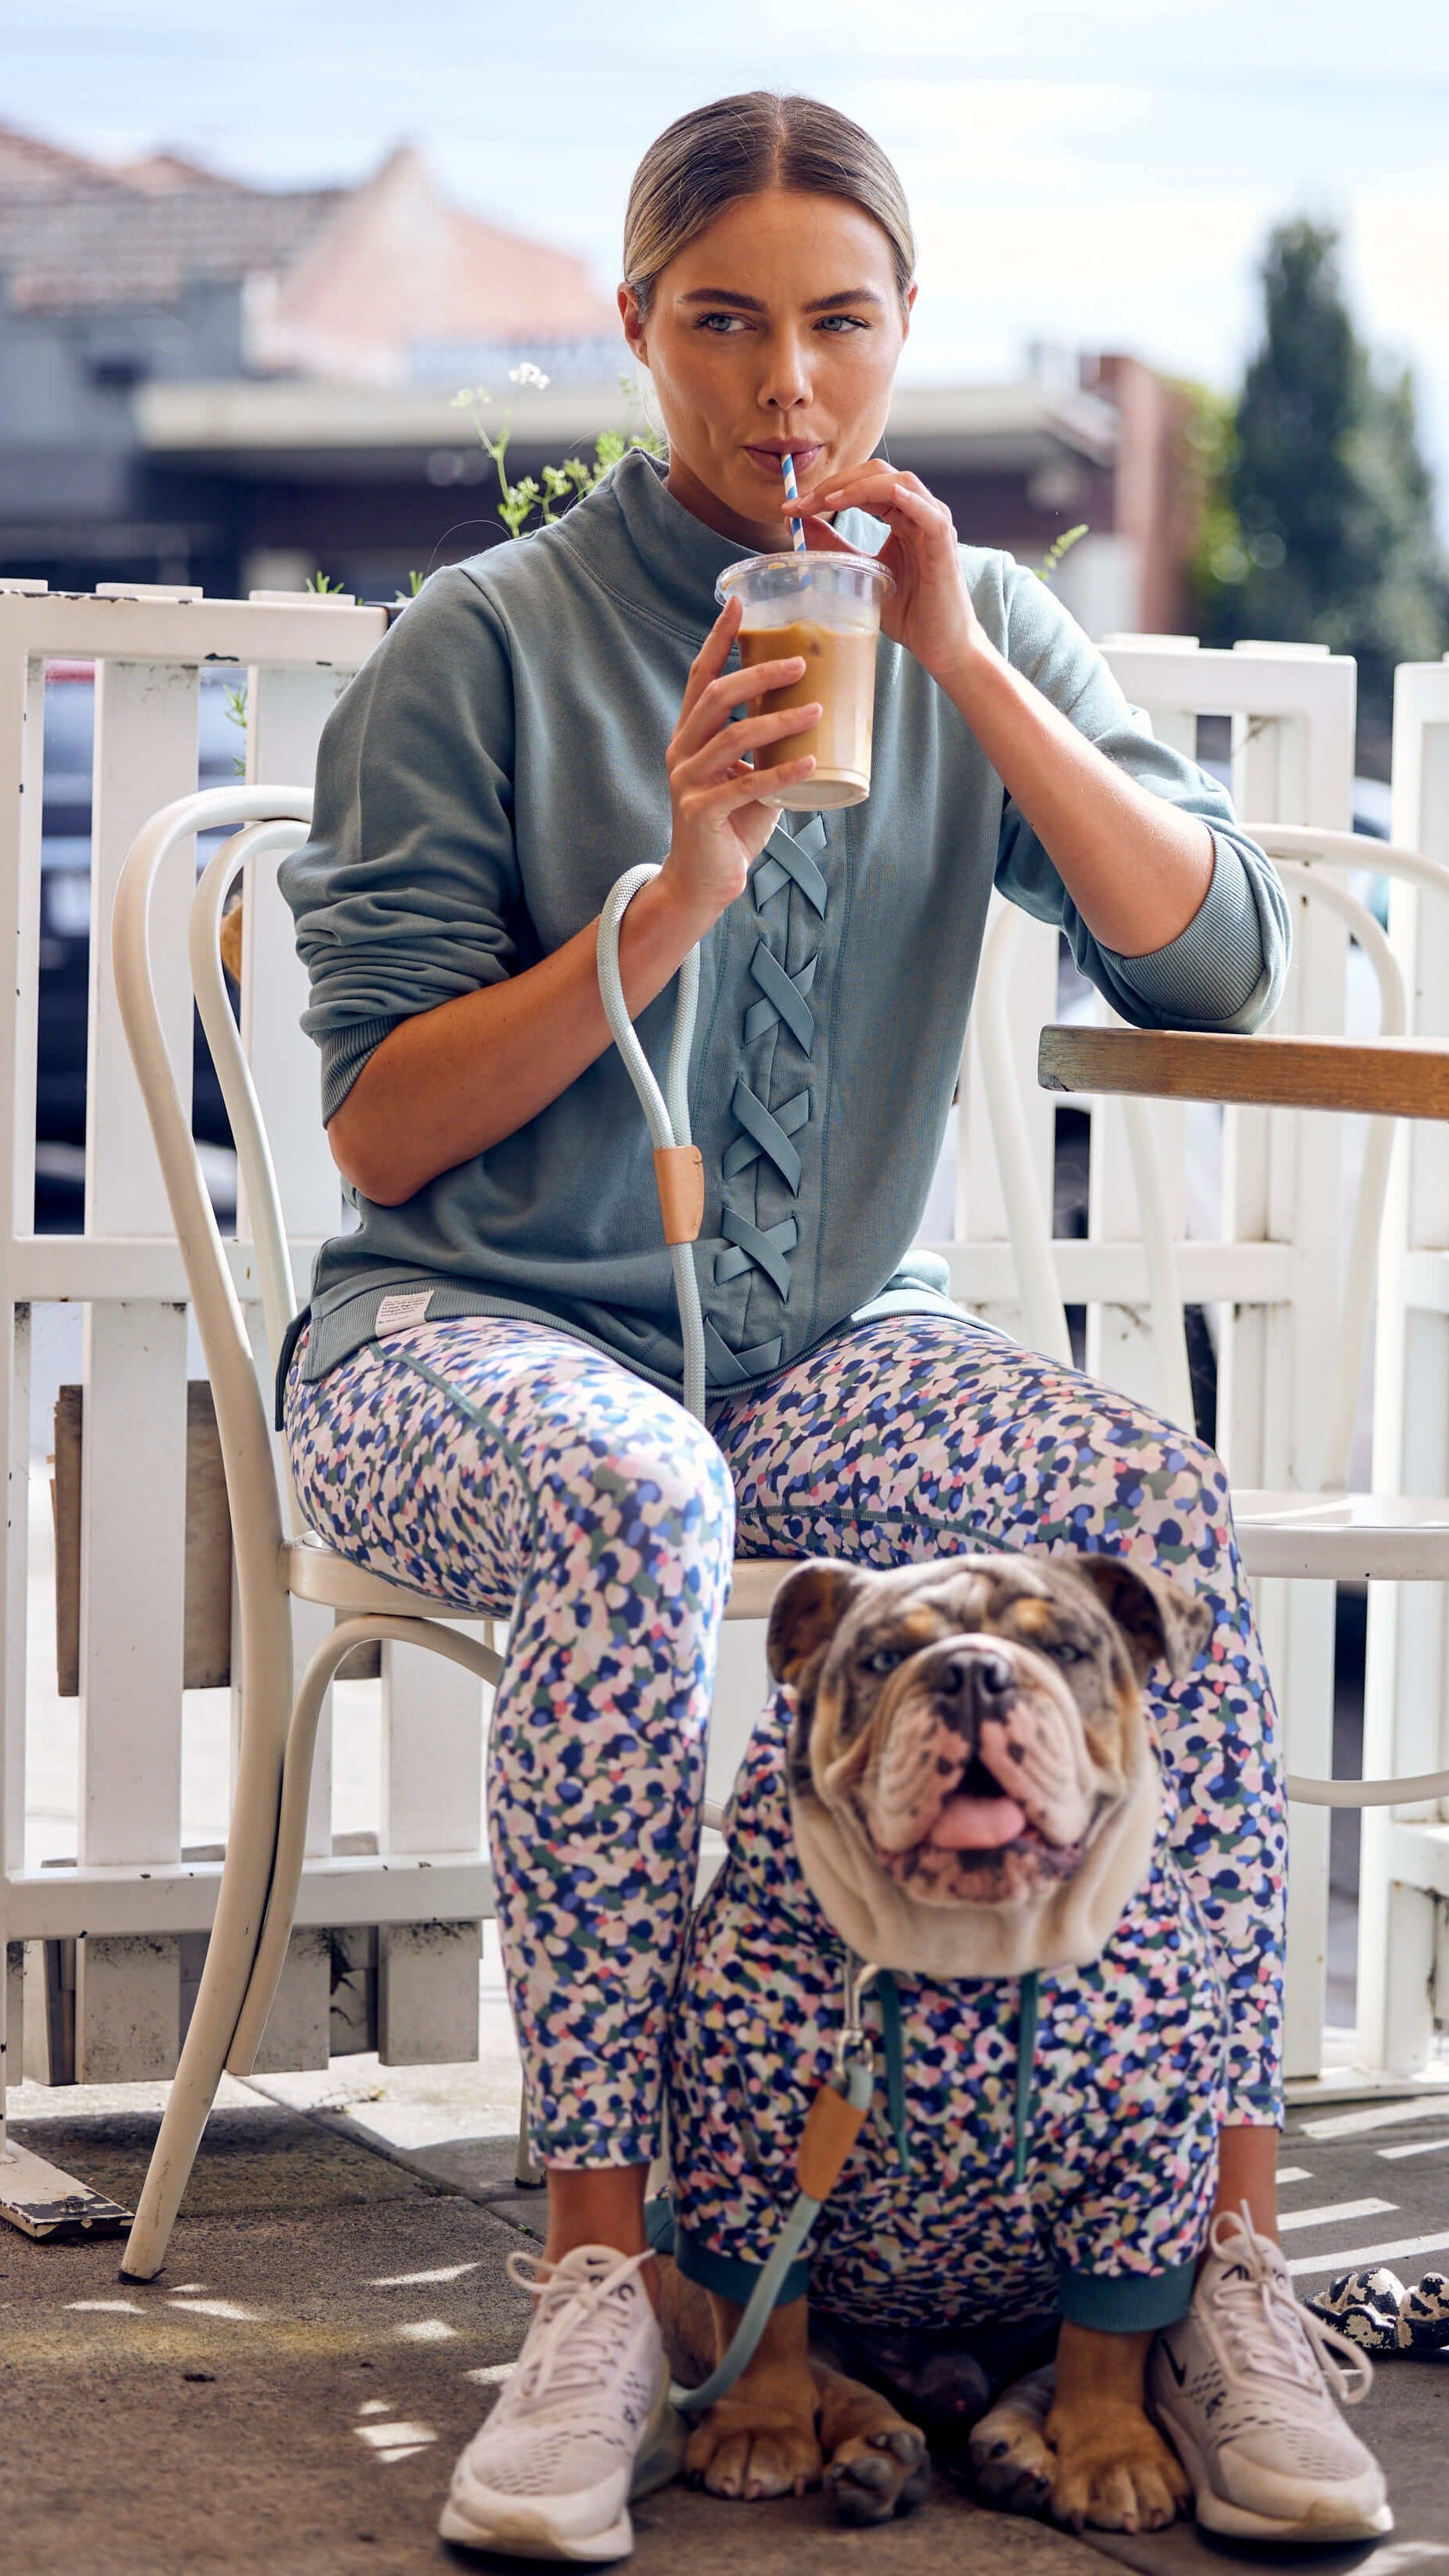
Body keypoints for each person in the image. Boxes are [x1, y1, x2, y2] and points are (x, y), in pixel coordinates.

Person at [280, 87, 1385, 2560]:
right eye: (727, 322)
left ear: (901, 333)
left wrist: (964, 665)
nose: (790, 384)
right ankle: (593, 2280)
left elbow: (1216, 961)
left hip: (822, 1355)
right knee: (630, 1483)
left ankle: (1216, 2261)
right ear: (637, 326)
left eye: (844, 323)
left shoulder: (964, 611)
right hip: (457, 1347)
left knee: (1138, 1493)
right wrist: (668, 901)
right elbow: (376, 1135)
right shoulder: (477, 654)